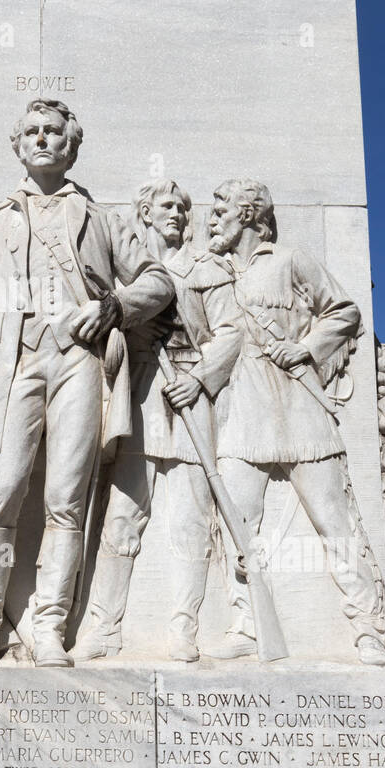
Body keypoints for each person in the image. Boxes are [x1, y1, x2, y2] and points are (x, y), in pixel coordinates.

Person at [0, 99, 174, 668]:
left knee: (66, 500)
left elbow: (159, 281)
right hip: (11, 363)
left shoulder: (100, 218)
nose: (43, 139)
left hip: (79, 361)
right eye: (32, 131)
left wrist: (115, 306)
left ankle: (48, 625)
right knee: (2, 491)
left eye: (53, 132)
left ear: (70, 145)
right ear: (18, 144)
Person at [208, 178, 385, 667]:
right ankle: (246, 622)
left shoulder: (290, 259)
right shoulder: (212, 272)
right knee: (237, 525)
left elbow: (345, 311)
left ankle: (369, 627)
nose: (212, 219)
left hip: (300, 408)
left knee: (335, 525)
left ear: (248, 214)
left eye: (220, 209)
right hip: (243, 415)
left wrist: (307, 347)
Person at [73, 179, 242, 663]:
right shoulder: (125, 273)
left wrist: (203, 378)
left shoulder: (206, 268)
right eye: (167, 206)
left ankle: (183, 630)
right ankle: (104, 626)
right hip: (140, 395)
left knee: (191, 522)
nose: (178, 215)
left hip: (190, 397)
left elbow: (230, 332)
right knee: (123, 515)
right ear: (143, 212)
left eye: (183, 209)